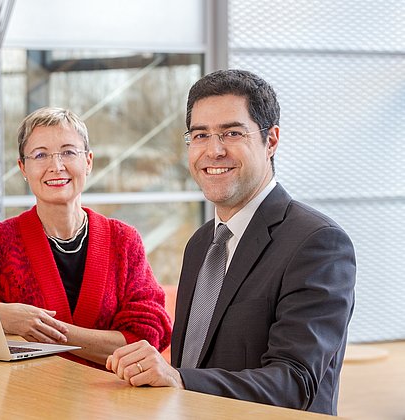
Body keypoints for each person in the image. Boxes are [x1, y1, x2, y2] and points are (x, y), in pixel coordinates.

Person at [106, 69, 356, 415]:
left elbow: (294, 382)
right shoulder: (201, 244)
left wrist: (179, 379)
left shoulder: (318, 243)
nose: (214, 150)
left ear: (271, 141)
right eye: (200, 135)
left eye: (232, 133)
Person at [0, 107, 171, 368]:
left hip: (109, 402)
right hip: (24, 400)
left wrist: (46, 331)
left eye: (68, 152)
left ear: (88, 161)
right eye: (40, 155)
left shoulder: (123, 241)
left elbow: (146, 338)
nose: (56, 166)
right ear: (23, 168)